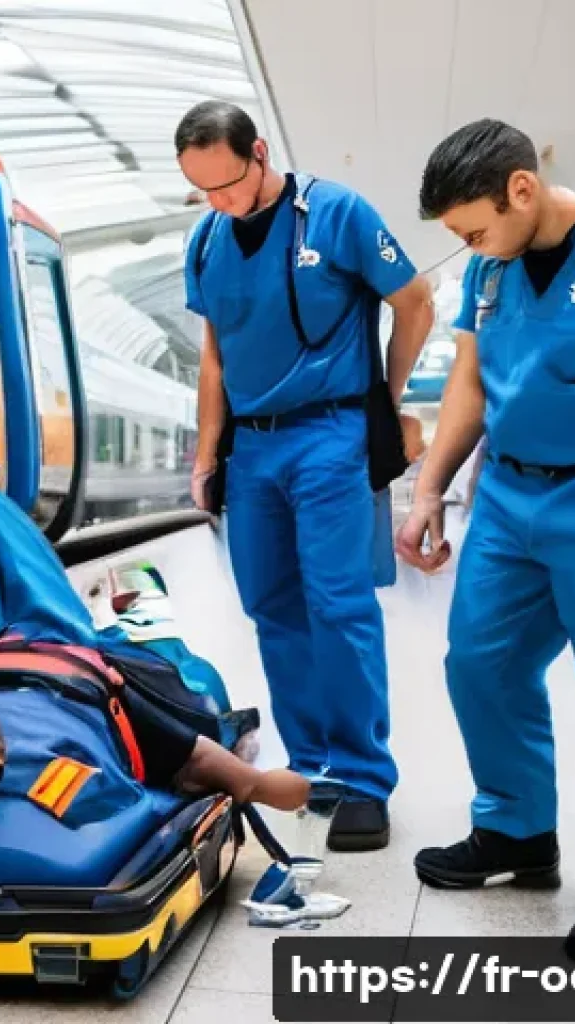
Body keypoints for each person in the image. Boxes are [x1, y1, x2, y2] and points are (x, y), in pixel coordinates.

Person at [175, 100, 434, 851]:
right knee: (272, 605)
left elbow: (413, 301)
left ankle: (363, 776)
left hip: (330, 431)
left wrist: (385, 401)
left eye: (227, 184)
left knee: (338, 602)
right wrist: (206, 454)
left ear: (259, 152)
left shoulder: (336, 212)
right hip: (252, 451)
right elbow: (215, 354)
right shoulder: (206, 242)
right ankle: (313, 761)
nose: (219, 203)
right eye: (203, 191)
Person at [398, 121, 575, 952]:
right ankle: (516, 833)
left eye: (475, 230)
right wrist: (429, 489)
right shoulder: (488, 270)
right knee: (481, 662)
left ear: (521, 188)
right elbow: (469, 384)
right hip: (509, 496)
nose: (474, 248)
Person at [0, 669, 311, 845]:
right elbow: (196, 759)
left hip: (2, 654)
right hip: (95, 677)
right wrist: (256, 784)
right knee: (192, 680)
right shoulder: (63, 758)